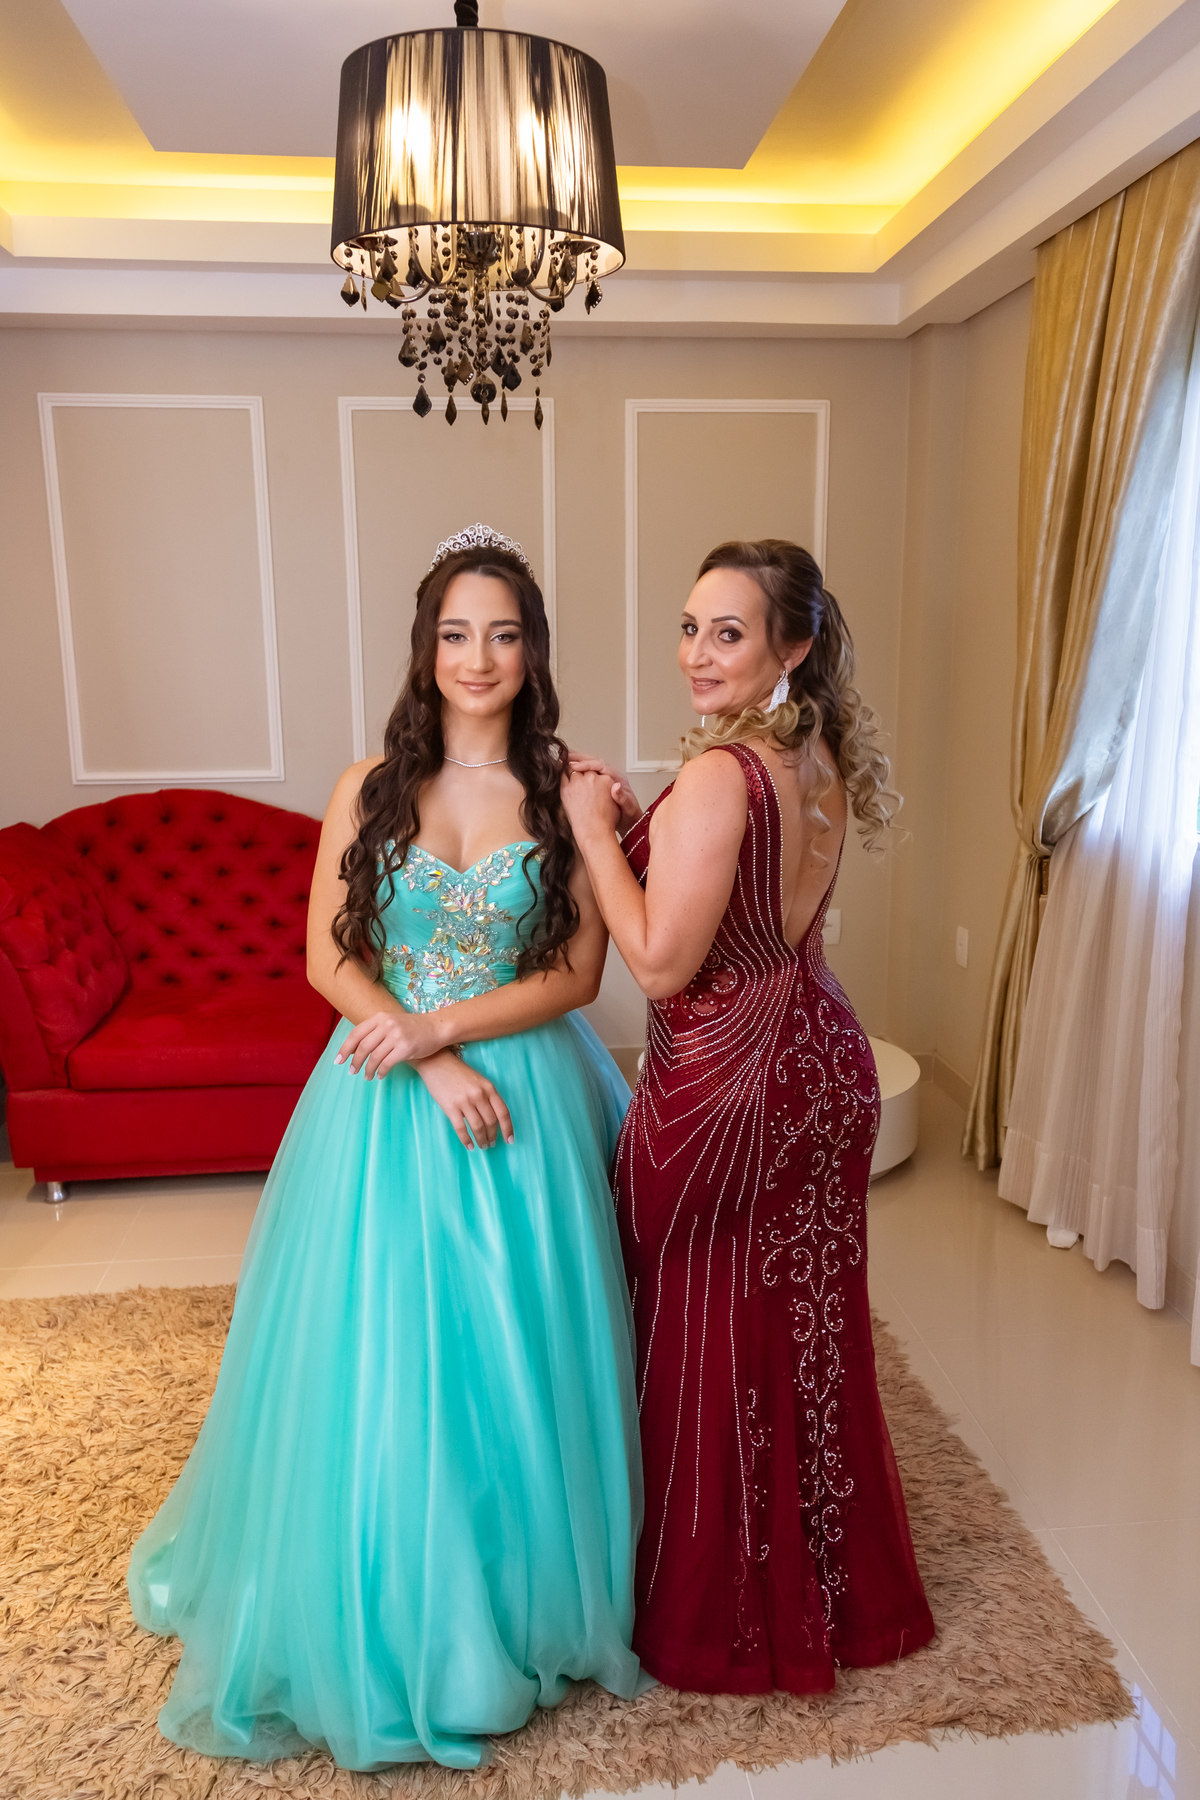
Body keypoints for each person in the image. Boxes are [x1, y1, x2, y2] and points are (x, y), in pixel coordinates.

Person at [128, 526, 646, 1771]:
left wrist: (446, 1026)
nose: (479, 657)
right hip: (386, 1092)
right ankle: (388, 1594)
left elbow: (580, 975)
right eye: (456, 634)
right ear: (425, 648)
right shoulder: (367, 785)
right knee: (380, 1344)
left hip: (525, 1089)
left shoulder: (566, 789)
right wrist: (425, 1055)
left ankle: (517, 1595)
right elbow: (327, 957)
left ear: (533, 651)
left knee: (520, 1345)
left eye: (504, 634)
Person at [562, 538, 935, 1695]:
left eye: (727, 633)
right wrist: (643, 821)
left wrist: (591, 832)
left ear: (794, 645)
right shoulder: (813, 757)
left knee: (704, 1328)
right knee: (800, 1328)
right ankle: (828, 1581)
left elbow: (662, 964)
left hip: (729, 1084)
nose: (696, 653)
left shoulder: (726, 774)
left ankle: (715, 1610)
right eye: (689, 627)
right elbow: (744, 908)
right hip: (824, 1061)